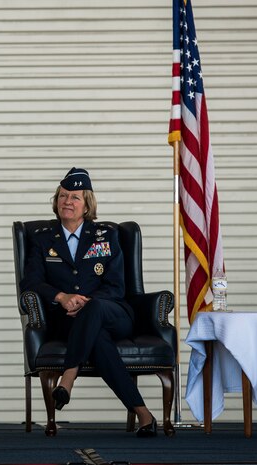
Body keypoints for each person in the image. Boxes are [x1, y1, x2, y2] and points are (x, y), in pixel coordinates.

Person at [19, 167, 158, 437]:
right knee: (98, 341)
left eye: (74, 197)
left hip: (113, 313)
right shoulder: (43, 238)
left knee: (93, 309)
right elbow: (31, 283)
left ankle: (68, 376)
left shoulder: (106, 236)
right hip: (68, 320)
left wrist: (86, 302)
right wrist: (62, 297)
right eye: (62, 196)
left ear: (87, 205)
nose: (67, 202)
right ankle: (144, 414)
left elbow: (117, 286)